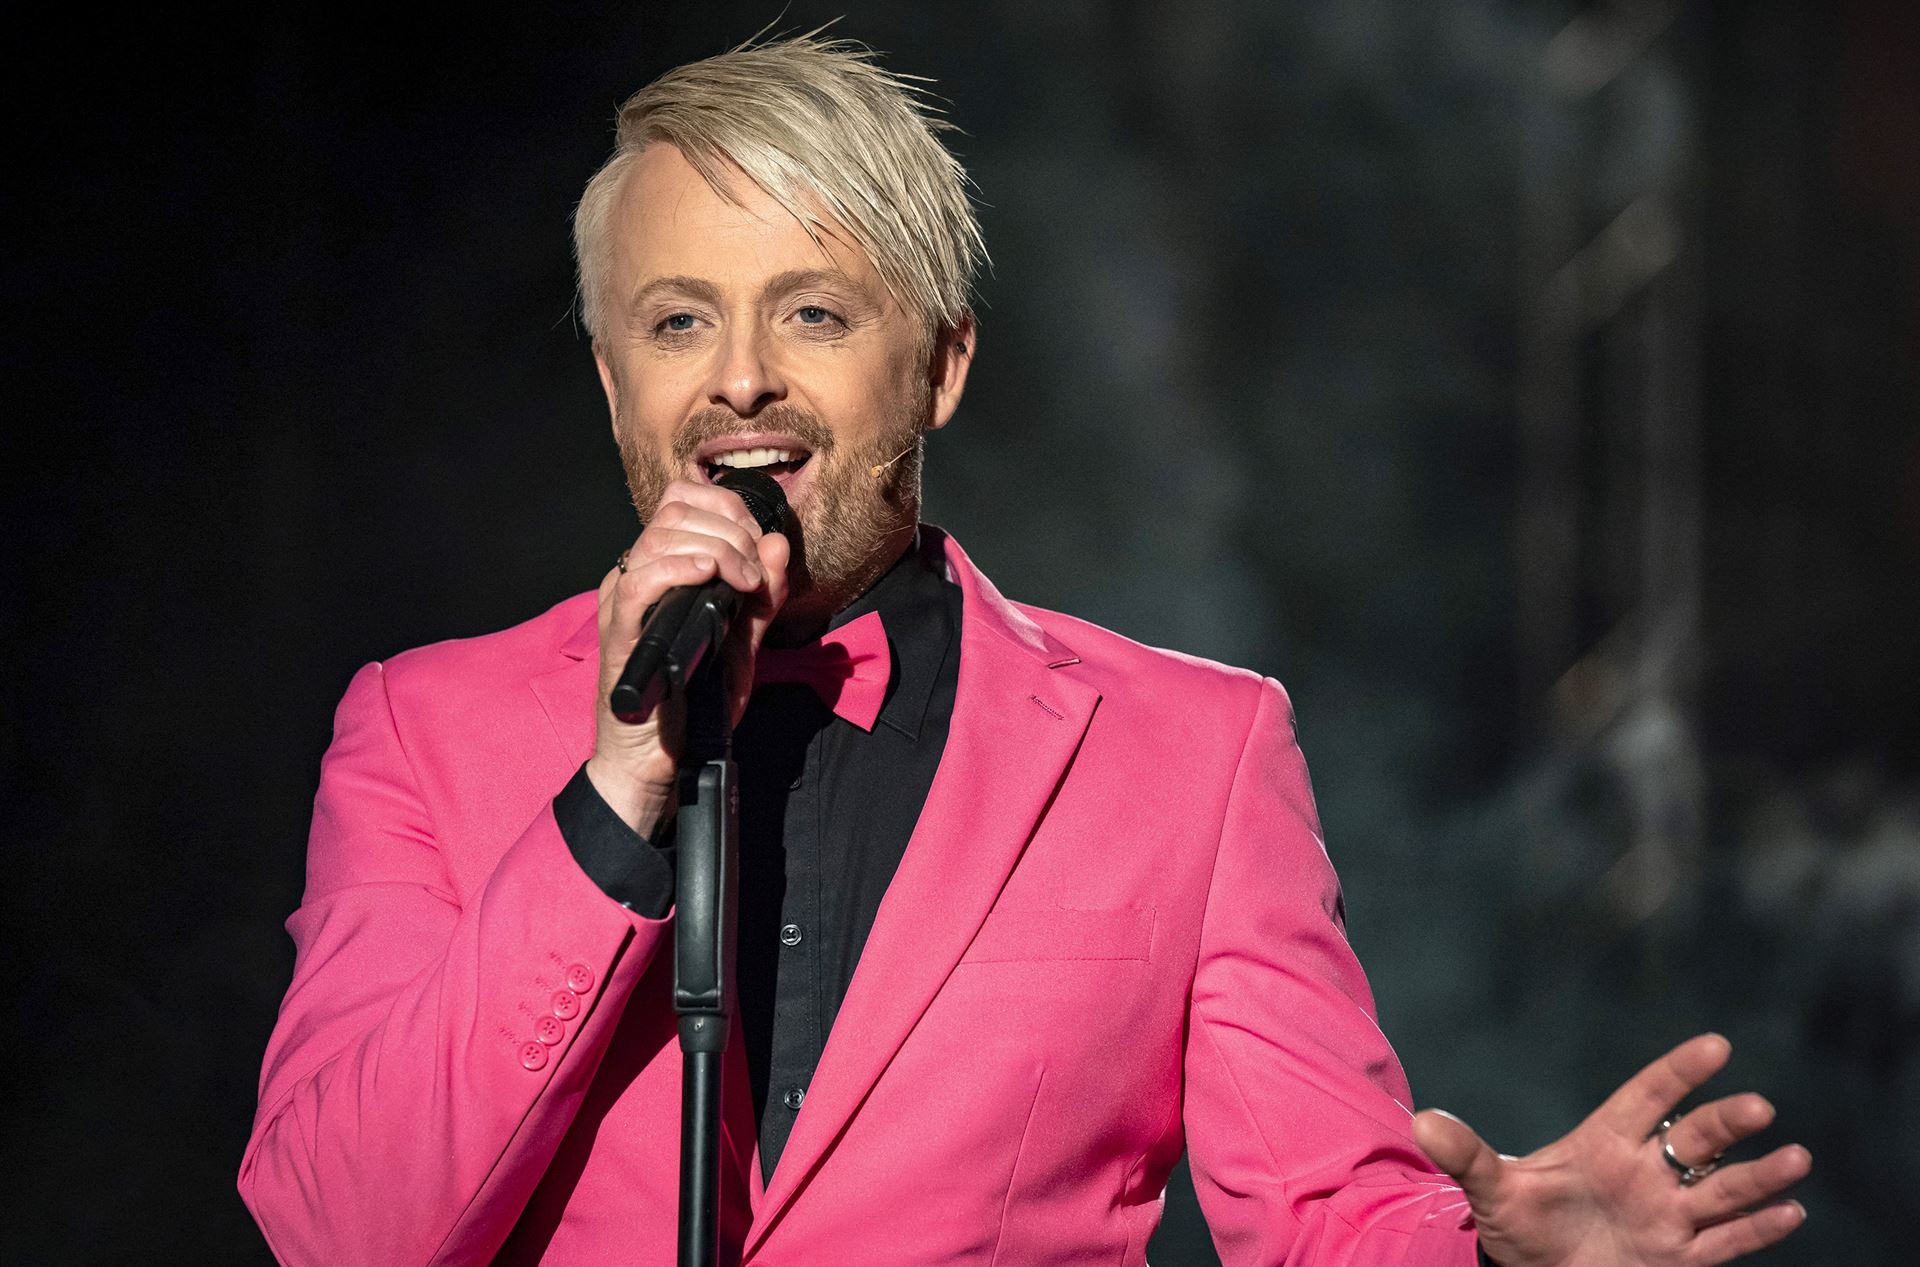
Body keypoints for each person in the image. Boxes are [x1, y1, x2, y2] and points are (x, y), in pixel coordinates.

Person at [238, 35, 1810, 1267]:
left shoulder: (1190, 755)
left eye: (814, 314)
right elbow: (334, 1229)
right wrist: (611, 800)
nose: (740, 380)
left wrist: (1497, 1258)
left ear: (941, 366)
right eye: (677, 322)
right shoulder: (419, 728)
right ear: (609, 379)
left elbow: (1324, 1219)